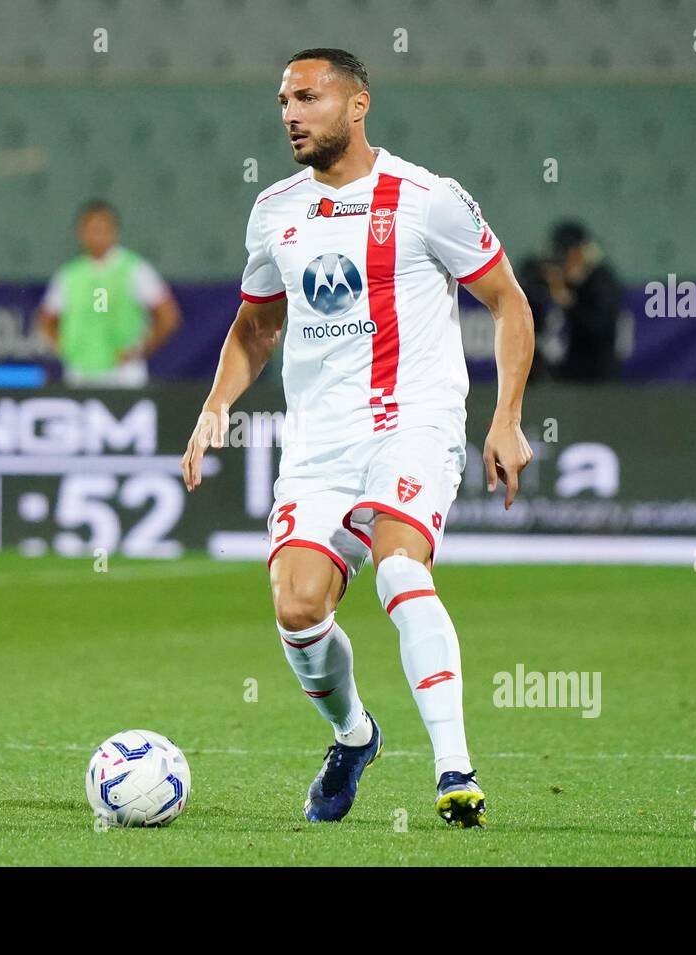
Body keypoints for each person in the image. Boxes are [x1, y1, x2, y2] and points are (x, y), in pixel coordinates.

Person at [180, 49, 534, 827]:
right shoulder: (275, 208)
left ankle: (455, 771)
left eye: (307, 98)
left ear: (357, 104)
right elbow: (256, 325)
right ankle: (355, 736)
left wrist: (507, 416)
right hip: (317, 441)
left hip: (414, 420)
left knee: (399, 567)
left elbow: (509, 303)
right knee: (299, 608)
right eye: (282, 100)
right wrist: (215, 406)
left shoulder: (427, 198)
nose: (289, 114)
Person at [36, 200, 181, 387]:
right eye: (92, 229)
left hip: (124, 374)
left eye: (103, 228)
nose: (97, 235)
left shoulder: (135, 269)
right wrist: (67, 349)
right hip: (80, 373)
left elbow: (168, 317)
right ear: (81, 232)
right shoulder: (69, 275)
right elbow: (46, 319)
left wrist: (140, 350)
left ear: (114, 230)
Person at [543, 220, 622, 382]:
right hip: (570, 373)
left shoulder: (601, 281)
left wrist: (570, 302)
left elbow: (598, 325)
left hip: (596, 376)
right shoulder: (568, 280)